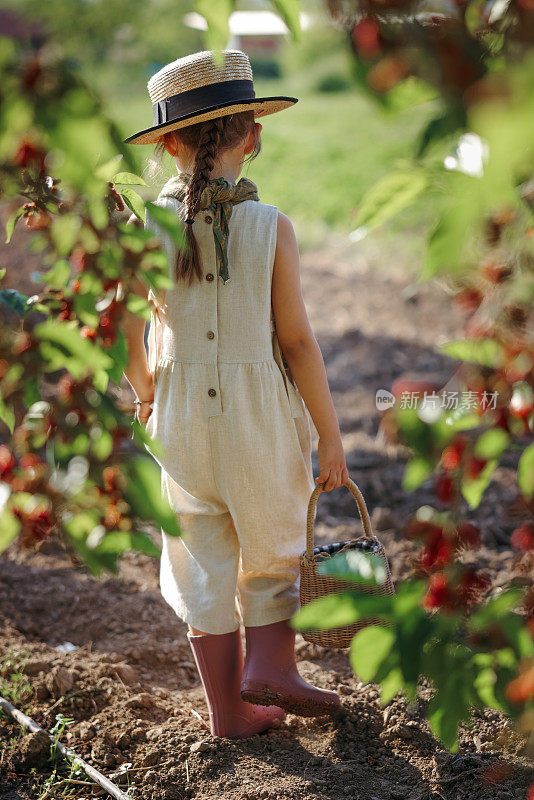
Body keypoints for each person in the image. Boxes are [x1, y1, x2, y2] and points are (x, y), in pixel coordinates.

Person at [121, 49, 349, 739]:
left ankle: (228, 712)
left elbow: (122, 336)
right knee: (274, 541)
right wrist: (331, 437)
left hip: (181, 421)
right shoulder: (270, 226)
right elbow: (300, 343)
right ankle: (272, 667)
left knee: (200, 559)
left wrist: (146, 393)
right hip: (261, 424)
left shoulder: (144, 230)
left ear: (166, 144)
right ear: (254, 134)